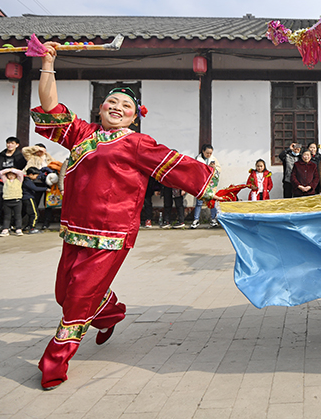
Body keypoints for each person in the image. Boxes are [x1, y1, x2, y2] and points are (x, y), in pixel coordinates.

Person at [31, 41, 224, 390]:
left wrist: (213, 190)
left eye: (126, 105)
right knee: (65, 291)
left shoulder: (137, 143)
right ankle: (109, 312)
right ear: (100, 108)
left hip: (112, 234)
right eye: (112, 102)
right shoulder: (81, 135)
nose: (118, 107)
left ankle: (54, 362)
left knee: (76, 300)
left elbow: (175, 166)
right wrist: (48, 62)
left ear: (135, 116)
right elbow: (49, 105)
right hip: (74, 229)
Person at [0, 137, 27, 230]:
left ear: (17, 145)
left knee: (15, 205)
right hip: (0, 183)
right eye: (8, 143)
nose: (10, 145)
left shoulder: (20, 156)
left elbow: (23, 169)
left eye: (12, 143)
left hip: (14, 184)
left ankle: (13, 224)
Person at [191, 144, 220, 228]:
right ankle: (196, 220)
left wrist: (214, 168)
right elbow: (195, 171)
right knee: (199, 202)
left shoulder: (213, 159)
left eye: (210, 153)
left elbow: (219, 170)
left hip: (210, 184)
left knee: (211, 201)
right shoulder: (197, 159)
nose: (209, 155)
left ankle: (213, 219)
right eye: (207, 153)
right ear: (203, 151)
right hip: (200, 183)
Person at [0, 168, 24, 236]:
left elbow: (20, 173)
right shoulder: (6, 181)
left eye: (13, 175)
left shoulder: (19, 180)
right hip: (7, 200)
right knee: (7, 216)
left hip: (17, 200)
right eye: (9, 175)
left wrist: (12, 170)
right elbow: (1, 173)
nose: (11, 176)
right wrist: (8, 170)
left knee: (17, 216)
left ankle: (18, 229)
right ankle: (5, 229)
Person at [22, 167, 47, 233]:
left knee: (28, 213)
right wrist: (46, 189)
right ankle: (32, 228)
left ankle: (28, 227)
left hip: (26, 198)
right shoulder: (27, 181)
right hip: (29, 198)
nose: (37, 177)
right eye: (36, 175)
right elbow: (35, 188)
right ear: (31, 174)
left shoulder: (27, 180)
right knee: (35, 214)